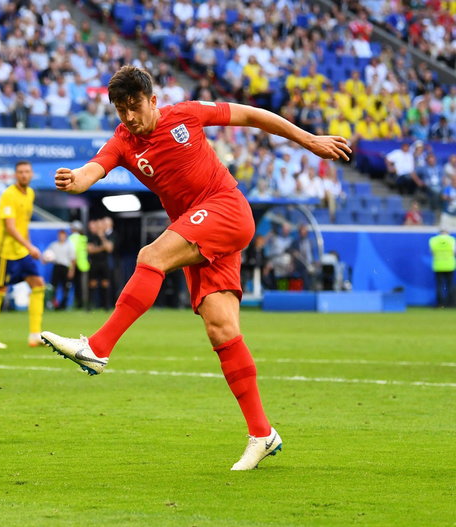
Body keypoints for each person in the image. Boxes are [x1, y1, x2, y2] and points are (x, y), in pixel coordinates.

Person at [40, 66, 351, 470]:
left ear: (153, 100)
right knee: (221, 328)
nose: (129, 117)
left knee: (151, 257)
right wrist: (76, 179)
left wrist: (309, 140)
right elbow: (93, 170)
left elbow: (252, 115)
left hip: (226, 208)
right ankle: (262, 433)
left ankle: (97, 348)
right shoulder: (122, 141)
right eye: (121, 109)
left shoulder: (185, 114)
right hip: (198, 230)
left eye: (135, 106)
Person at [0, 160, 45, 349]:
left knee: (38, 284)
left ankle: (35, 335)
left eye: (27, 172)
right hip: (5, 252)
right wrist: (31, 247)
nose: (24, 175)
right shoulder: (8, 195)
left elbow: (23, 225)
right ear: (15, 175)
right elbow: (10, 227)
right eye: (20, 172)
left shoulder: (30, 193)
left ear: (31, 174)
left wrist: (28, 246)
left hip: (22, 251)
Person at [45, 229, 76, 310]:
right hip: (56, 267)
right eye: (60, 235)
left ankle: (63, 305)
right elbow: (47, 255)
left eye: (63, 235)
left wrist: (71, 270)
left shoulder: (69, 245)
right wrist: (45, 259)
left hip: (65, 267)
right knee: (53, 287)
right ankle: (54, 304)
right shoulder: (54, 245)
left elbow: (73, 260)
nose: (61, 237)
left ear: (65, 236)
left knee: (65, 287)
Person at [429, 229, 455, 308]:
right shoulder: (452, 240)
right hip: (449, 265)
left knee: (439, 286)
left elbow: (432, 252)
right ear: (448, 232)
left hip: (438, 265)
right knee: (450, 285)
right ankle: (450, 304)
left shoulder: (433, 240)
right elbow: (454, 252)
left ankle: (440, 304)